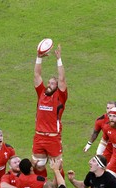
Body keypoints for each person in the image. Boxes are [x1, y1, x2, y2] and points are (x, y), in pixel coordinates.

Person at [32, 43, 68, 178]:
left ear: (57, 86)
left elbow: (62, 79)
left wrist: (59, 59)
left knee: (57, 167)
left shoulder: (60, 97)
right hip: (39, 136)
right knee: (37, 164)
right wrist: (39, 57)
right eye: (48, 82)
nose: (49, 84)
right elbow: (36, 75)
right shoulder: (41, 92)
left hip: (53, 137)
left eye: (53, 83)